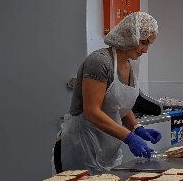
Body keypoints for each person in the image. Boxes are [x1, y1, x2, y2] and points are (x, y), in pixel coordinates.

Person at [59, 12, 162, 172]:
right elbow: (92, 112)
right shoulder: (100, 62)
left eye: (149, 44)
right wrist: (128, 137)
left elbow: (120, 105)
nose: (145, 50)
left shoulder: (130, 65)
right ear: (129, 35)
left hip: (108, 147)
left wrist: (136, 128)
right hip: (84, 144)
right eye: (143, 42)